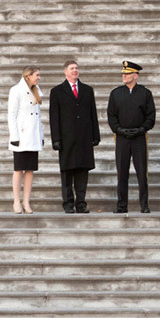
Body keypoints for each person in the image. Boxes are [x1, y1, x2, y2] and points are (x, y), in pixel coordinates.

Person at [49, 60, 100, 213]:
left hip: (84, 137)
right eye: (72, 68)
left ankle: (81, 203)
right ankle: (68, 203)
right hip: (66, 138)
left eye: (76, 68)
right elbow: (54, 117)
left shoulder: (87, 90)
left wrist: (95, 135)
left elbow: (93, 113)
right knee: (67, 173)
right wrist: (56, 139)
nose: (75, 71)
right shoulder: (57, 91)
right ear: (65, 71)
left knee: (82, 172)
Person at [107, 61, 156, 214]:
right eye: (123, 73)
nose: (124, 76)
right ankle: (121, 205)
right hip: (122, 138)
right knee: (122, 172)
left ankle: (144, 205)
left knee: (142, 173)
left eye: (127, 74)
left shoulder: (145, 93)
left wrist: (142, 129)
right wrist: (119, 130)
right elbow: (111, 116)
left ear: (135, 76)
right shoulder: (116, 93)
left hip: (139, 137)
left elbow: (151, 116)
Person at [7, 66, 44, 214]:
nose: (39, 78)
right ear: (28, 76)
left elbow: (38, 117)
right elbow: (12, 115)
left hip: (33, 136)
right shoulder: (16, 90)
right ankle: (16, 200)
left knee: (30, 170)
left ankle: (26, 201)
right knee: (18, 169)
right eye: (37, 75)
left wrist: (41, 136)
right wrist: (14, 136)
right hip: (21, 136)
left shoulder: (36, 90)